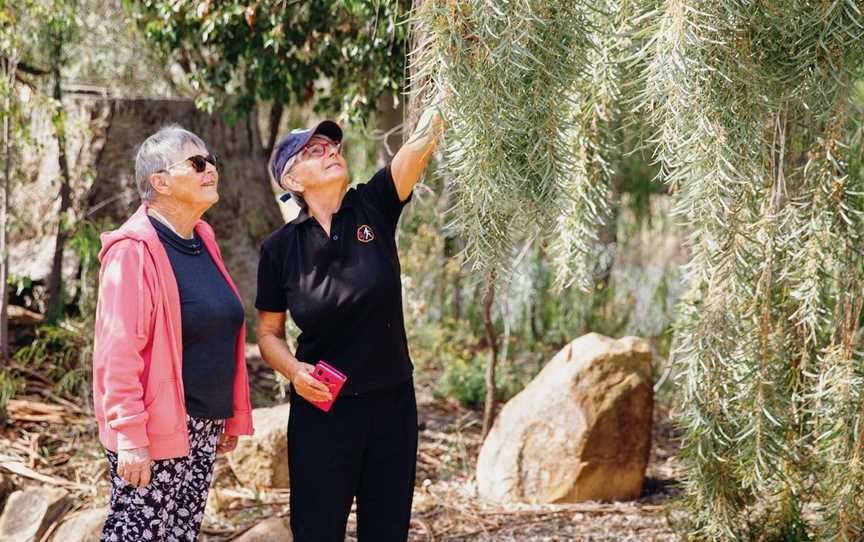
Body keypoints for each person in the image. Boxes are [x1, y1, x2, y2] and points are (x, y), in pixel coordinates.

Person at [255, 107, 445, 541]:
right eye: (314, 150)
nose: (331, 153)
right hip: (322, 414)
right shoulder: (280, 249)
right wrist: (295, 372)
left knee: (386, 531)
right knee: (317, 531)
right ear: (292, 180)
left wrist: (444, 98)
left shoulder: (372, 205)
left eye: (333, 146)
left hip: (392, 405)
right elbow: (267, 335)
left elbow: (416, 149)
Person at [92, 125, 254, 542]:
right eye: (197, 163)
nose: (210, 170)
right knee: (137, 535)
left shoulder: (202, 239)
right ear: (159, 182)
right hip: (154, 429)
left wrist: (228, 416)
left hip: (202, 426)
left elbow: (218, 326)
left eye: (211, 162)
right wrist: (129, 438)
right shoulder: (133, 251)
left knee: (179, 534)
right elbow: (118, 352)